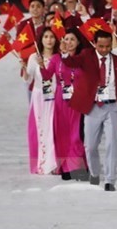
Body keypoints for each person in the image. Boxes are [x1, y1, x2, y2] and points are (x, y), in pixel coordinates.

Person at [61, 30, 117, 191]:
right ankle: (94, 173)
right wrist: (65, 53)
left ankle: (110, 180)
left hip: (112, 106)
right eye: (100, 46)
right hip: (93, 107)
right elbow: (71, 63)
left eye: (108, 46)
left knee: (112, 144)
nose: (104, 50)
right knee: (90, 146)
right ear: (94, 43)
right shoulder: (87, 55)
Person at [39, 28, 88, 181]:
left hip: (78, 99)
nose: (69, 42)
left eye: (72, 39)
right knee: (62, 135)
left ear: (78, 42)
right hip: (60, 100)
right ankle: (65, 167)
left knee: (76, 136)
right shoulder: (55, 58)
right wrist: (41, 66)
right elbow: (47, 76)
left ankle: (77, 167)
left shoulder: (83, 58)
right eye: (66, 39)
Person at [22, 28, 58, 175]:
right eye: (46, 37)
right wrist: (24, 71)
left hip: (55, 98)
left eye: (52, 37)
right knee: (40, 129)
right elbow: (29, 79)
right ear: (41, 40)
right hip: (39, 98)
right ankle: (42, 162)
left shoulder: (59, 57)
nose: (49, 40)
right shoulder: (33, 57)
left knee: (53, 129)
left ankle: (55, 162)